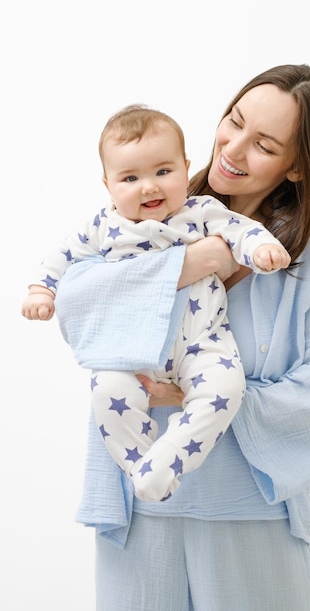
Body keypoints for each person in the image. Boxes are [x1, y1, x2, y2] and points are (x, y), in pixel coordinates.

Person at [38, 64, 310, 610]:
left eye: (263, 144)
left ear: (297, 168)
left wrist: (200, 397)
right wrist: (189, 263)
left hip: (248, 511)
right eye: (233, 122)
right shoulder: (146, 220)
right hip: (140, 508)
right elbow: (74, 305)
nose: (233, 149)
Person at [21, 104, 291, 502]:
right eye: (130, 177)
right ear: (107, 184)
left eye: (163, 172)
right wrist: (41, 290)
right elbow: (63, 257)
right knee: (106, 390)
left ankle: (168, 459)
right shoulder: (103, 226)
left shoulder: (200, 212)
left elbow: (239, 230)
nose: (149, 187)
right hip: (130, 349)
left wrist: (262, 247)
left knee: (225, 388)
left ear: (185, 168)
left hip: (202, 341)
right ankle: (140, 466)